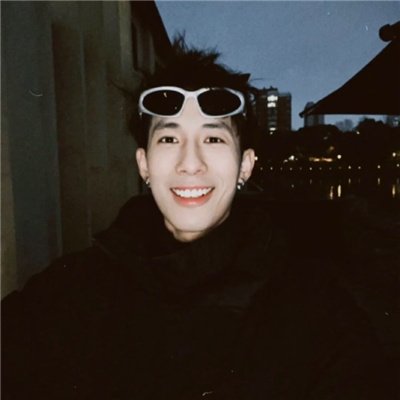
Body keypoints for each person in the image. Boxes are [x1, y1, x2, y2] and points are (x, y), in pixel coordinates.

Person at [2, 37, 397, 400]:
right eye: (169, 138)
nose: (190, 163)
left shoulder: (312, 307)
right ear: (144, 164)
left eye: (213, 138)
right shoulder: (72, 290)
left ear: (245, 165)